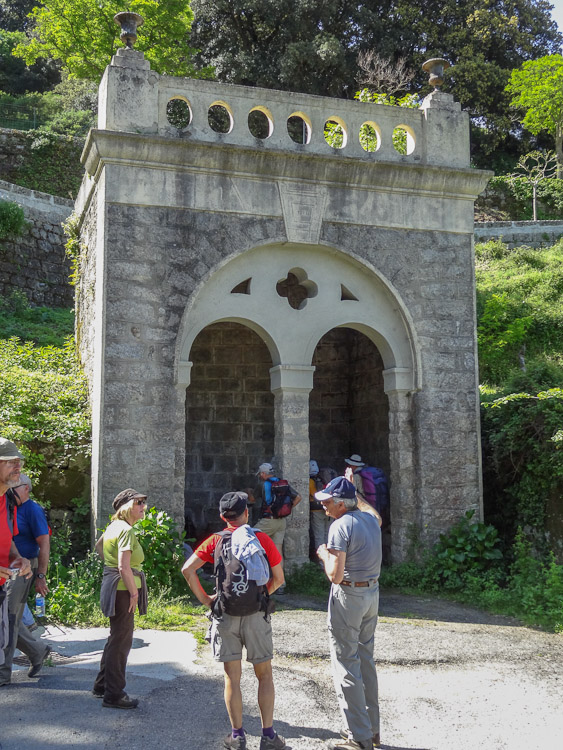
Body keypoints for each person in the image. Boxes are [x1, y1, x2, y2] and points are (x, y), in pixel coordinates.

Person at [182, 491, 286, 750]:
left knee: (232, 678)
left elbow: (187, 570)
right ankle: (269, 736)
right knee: (264, 676)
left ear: (222, 517)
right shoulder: (261, 539)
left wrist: (207, 600)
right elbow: (279, 579)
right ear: (247, 513)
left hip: (225, 615)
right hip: (255, 616)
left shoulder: (215, 540)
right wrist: (262, 595)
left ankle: (237, 736)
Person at [315, 477, 382, 750]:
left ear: (341, 504)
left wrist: (323, 555)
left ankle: (359, 737)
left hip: (349, 596)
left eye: (328, 502)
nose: (324, 507)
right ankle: (372, 730)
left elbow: (335, 575)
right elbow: (374, 513)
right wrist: (357, 494)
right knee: (365, 659)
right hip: (372, 595)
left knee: (345, 664)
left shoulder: (338, 527)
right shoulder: (370, 521)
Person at [93, 488, 148, 709]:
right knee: (122, 640)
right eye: (139, 503)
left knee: (116, 637)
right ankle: (114, 694)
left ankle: (102, 685)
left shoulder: (113, 527)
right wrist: (134, 593)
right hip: (124, 590)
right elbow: (123, 566)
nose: (143, 506)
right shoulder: (126, 530)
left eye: (143, 502)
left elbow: (99, 547)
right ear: (126, 507)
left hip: (115, 587)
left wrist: (111, 570)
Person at [0, 473, 51, 685]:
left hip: (21, 570)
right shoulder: (10, 506)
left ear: (27, 488)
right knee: (6, 618)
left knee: (9, 618)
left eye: (16, 486)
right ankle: (37, 651)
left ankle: (3, 673)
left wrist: (41, 575)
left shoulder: (33, 509)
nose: (12, 490)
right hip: (8, 567)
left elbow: (44, 543)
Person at [0, 438, 32, 683]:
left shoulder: (6, 499)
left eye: (18, 461)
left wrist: (19, 557)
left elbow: (7, 536)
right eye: (10, 461)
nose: (17, 466)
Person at [309, 460, 335, 551]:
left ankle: (322, 560)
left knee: (319, 535)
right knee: (328, 533)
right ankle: (331, 554)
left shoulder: (310, 481)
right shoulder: (324, 478)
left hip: (316, 511)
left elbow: (313, 495)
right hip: (329, 509)